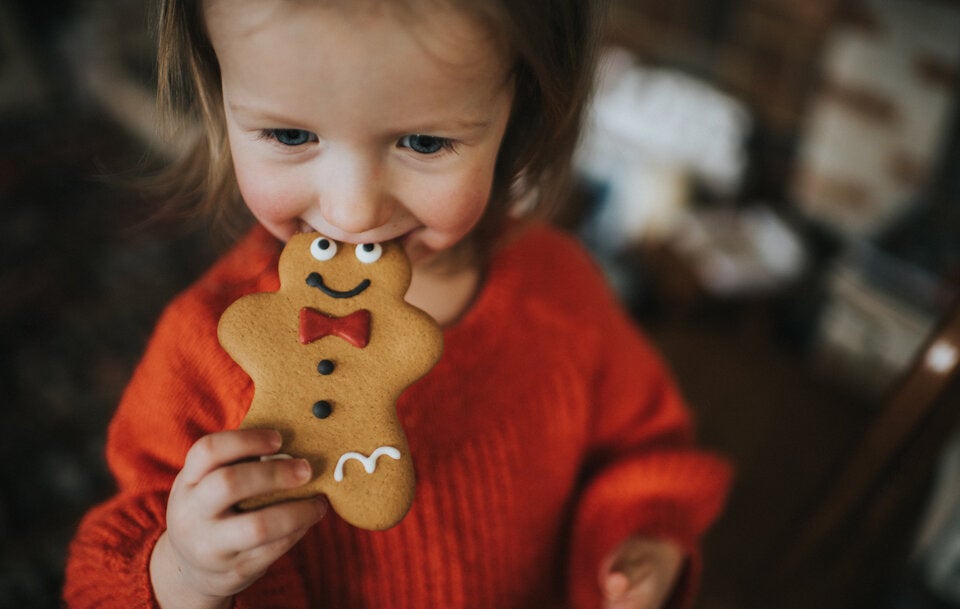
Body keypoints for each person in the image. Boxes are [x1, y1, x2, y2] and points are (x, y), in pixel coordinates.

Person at [64, 1, 732, 608]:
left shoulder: (561, 289)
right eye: (290, 135)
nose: (353, 210)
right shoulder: (203, 348)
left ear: (519, 110)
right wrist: (184, 573)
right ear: (220, 97)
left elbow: (641, 448)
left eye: (424, 142)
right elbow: (101, 579)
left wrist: (640, 539)